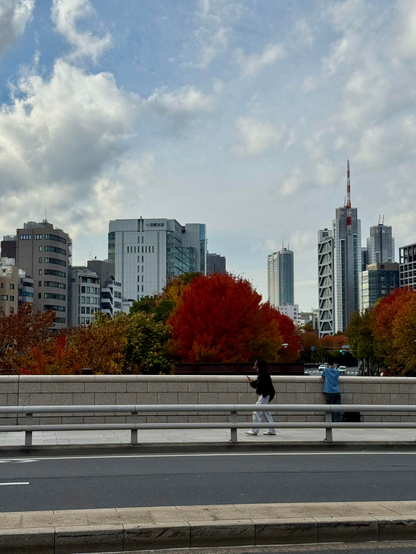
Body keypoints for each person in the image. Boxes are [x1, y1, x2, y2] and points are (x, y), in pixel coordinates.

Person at [246, 359, 276, 435]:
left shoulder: (263, 375)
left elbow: (259, 386)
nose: (255, 368)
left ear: (259, 367)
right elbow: (258, 384)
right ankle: (271, 430)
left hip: (265, 395)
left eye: (256, 366)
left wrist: (252, 383)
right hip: (267, 394)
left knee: (256, 411)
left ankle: (255, 430)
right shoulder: (263, 374)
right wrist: (251, 382)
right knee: (266, 412)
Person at [321, 355, 342, 422]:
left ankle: (329, 421)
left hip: (329, 391)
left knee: (329, 407)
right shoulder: (337, 371)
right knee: (337, 408)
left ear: (327, 364)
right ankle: (336, 421)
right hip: (337, 391)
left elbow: (322, 376)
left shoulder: (326, 370)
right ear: (334, 363)